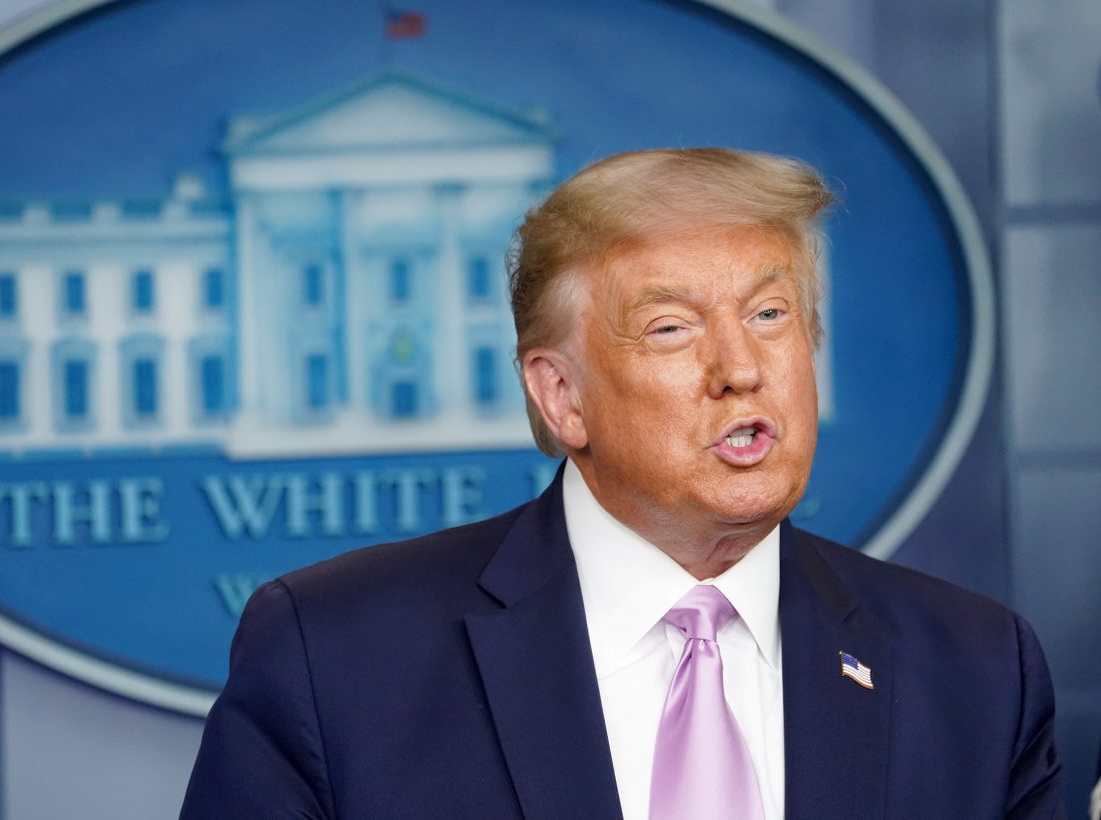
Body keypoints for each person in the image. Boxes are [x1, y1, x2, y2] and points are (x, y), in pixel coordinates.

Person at [181, 148, 1065, 819]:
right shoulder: (336, 659)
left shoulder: (977, 673)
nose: (741, 368)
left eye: (769, 315)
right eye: (673, 328)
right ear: (562, 398)